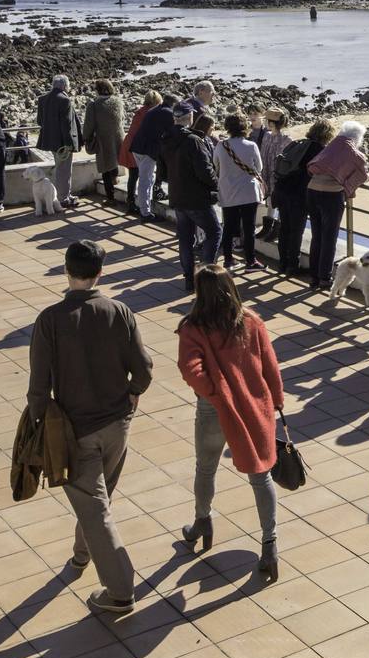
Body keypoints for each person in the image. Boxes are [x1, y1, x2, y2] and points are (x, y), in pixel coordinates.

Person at [27, 241, 153, 614]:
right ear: (101, 271)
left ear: (66, 271)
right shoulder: (120, 311)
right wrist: (133, 393)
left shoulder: (49, 319)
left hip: (75, 430)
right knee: (98, 499)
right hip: (118, 424)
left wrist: (37, 425)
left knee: (95, 507)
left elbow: (38, 386)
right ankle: (82, 555)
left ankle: (120, 590)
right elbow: (143, 370)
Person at [177, 264, 283, 583]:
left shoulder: (193, 327)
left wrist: (213, 392)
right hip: (254, 407)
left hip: (214, 410)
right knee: (260, 475)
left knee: (206, 467)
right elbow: (270, 364)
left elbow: (189, 368)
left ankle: (202, 522)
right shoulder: (250, 321)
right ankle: (270, 543)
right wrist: (275, 400)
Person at [162, 101, 220, 290]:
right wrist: (217, 184)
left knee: (185, 238)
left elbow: (161, 170)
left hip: (177, 195)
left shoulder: (165, 137)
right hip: (196, 197)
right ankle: (206, 276)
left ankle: (189, 278)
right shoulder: (194, 141)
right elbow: (205, 171)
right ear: (190, 117)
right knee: (214, 232)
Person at [305, 121, 369, 290]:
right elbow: (361, 173)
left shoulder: (332, 145)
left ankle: (313, 277)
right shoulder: (352, 151)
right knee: (329, 237)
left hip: (312, 191)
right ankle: (324, 278)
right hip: (331, 195)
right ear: (358, 137)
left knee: (317, 235)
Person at [275, 119, 333, 276]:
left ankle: (282, 264)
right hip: (299, 195)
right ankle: (292, 266)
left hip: (282, 190)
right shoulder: (320, 150)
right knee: (296, 231)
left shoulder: (299, 144)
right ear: (326, 135)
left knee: (284, 228)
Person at [214, 113, 265, 272]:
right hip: (248, 192)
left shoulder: (221, 146)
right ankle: (251, 261)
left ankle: (228, 259)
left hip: (228, 191)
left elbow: (216, 166)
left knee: (228, 226)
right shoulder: (251, 146)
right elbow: (259, 168)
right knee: (249, 228)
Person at [36, 74, 82, 208]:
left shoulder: (43, 99)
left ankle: (64, 194)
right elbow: (67, 125)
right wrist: (69, 144)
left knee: (60, 168)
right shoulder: (64, 100)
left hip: (50, 140)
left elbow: (40, 121)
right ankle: (63, 198)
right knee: (64, 170)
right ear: (64, 86)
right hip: (63, 142)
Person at [129, 93, 176, 219]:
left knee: (145, 178)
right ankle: (145, 213)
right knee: (146, 180)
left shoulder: (153, 110)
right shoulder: (168, 113)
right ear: (174, 104)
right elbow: (173, 133)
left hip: (137, 147)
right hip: (148, 150)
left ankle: (145, 209)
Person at [83, 79, 125, 206]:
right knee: (114, 161)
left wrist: (86, 137)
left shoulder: (94, 105)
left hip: (103, 139)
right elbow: (122, 118)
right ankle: (115, 177)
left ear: (98, 90)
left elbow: (89, 125)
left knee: (105, 166)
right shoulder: (118, 101)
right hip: (118, 137)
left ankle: (110, 198)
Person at [120, 91, 161, 215]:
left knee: (133, 175)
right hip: (138, 145)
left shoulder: (140, 111)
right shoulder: (152, 113)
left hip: (130, 142)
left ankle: (131, 202)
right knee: (140, 175)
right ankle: (138, 204)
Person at [257, 108, 290, 243]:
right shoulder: (267, 136)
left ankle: (277, 228)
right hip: (267, 173)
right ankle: (268, 226)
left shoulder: (286, 139)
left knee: (279, 201)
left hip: (277, 176)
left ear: (271, 123)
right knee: (269, 200)